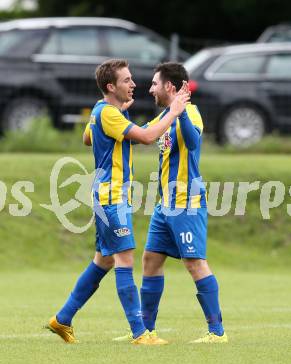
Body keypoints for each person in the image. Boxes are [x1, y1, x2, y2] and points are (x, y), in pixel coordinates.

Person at [45, 59, 189, 345]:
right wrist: (173, 112)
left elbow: (88, 137)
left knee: (104, 261)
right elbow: (148, 137)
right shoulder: (108, 114)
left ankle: (62, 319)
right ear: (111, 87)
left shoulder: (102, 112)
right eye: (127, 80)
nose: (134, 84)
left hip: (108, 197)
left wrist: (116, 116)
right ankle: (140, 333)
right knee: (125, 259)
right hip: (111, 199)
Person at [115, 62, 227, 344]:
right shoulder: (165, 116)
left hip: (186, 201)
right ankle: (146, 330)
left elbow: (192, 142)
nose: (150, 88)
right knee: (150, 260)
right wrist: (118, 118)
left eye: (154, 83)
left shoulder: (190, 112)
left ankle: (217, 332)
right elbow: (141, 135)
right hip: (165, 204)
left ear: (169, 86)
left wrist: (180, 113)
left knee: (195, 263)